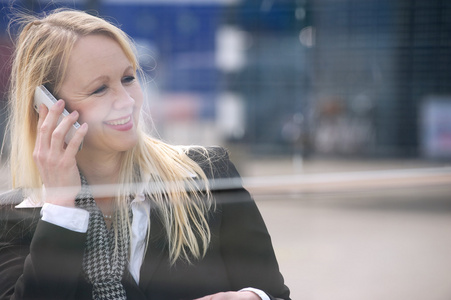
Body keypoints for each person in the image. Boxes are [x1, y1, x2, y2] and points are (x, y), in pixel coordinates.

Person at [0, 8, 290, 300]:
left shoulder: (207, 175)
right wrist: (61, 208)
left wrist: (252, 298)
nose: (127, 101)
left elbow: (277, 295)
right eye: (100, 89)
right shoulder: (14, 217)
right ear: (47, 107)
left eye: (128, 78)